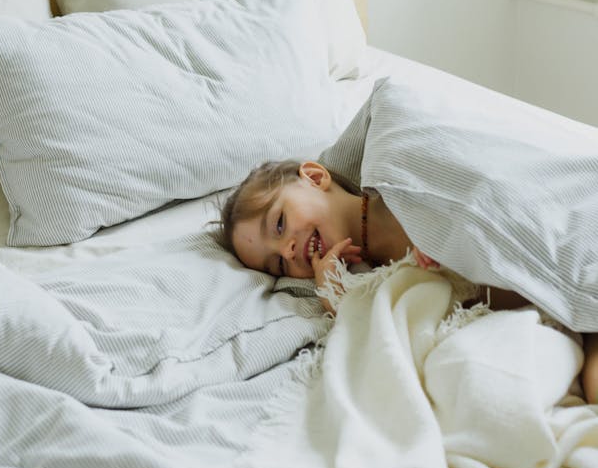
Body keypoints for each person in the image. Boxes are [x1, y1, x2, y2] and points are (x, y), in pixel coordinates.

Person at [217, 157, 598, 405]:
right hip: (561, 319)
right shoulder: (365, 276)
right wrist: (334, 292)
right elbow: (380, 329)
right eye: (277, 266)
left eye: (280, 223)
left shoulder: (394, 190)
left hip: (564, 267)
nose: (288, 250)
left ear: (315, 177)